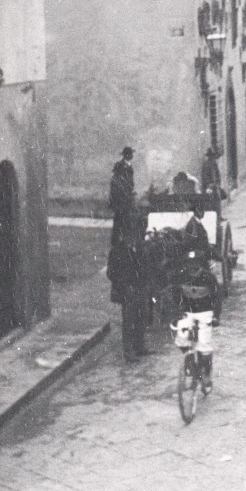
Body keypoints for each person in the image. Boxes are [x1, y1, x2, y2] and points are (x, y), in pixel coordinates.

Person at [170, 250, 222, 394]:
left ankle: (206, 374)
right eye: (190, 264)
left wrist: (216, 316)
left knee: (204, 345)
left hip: (205, 313)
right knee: (181, 337)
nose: (193, 267)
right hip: (188, 312)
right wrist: (177, 311)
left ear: (201, 265)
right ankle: (189, 361)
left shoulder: (208, 278)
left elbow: (218, 297)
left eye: (196, 264)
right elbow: (175, 294)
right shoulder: (181, 276)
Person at [106, 215, 150, 363]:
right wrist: (125, 286)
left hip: (140, 288)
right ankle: (128, 350)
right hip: (128, 291)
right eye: (131, 234)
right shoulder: (118, 251)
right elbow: (111, 272)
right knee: (129, 321)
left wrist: (145, 283)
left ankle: (140, 346)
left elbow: (144, 267)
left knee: (141, 317)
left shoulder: (140, 249)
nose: (135, 237)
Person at [109, 146, 135, 248]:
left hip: (125, 197)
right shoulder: (119, 166)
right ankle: (116, 241)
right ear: (127, 155)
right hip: (120, 198)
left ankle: (122, 241)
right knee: (119, 219)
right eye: (131, 154)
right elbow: (116, 182)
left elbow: (129, 182)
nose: (132, 156)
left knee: (124, 219)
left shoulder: (128, 166)